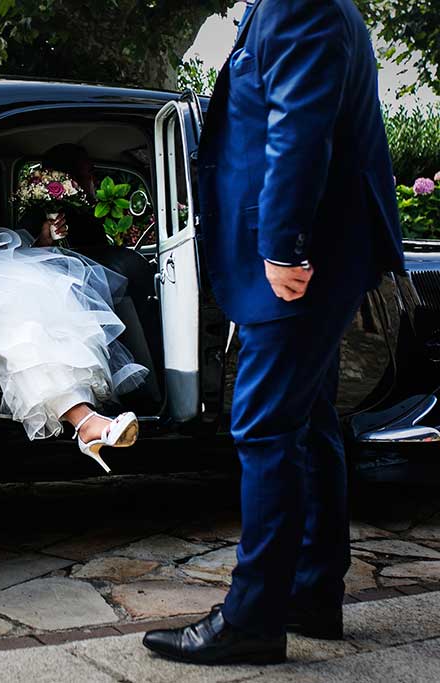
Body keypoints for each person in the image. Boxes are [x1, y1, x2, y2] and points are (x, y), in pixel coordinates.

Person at [143, 0, 403, 665]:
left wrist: (283, 247)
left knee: (262, 425)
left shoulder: (301, 3)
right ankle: (313, 592)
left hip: (299, 257)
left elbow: (299, 127)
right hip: (316, 249)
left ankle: (253, 616)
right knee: (308, 421)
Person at [0, 204, 147, 472]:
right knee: (17, 318)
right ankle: (85, 423)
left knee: (47, 298)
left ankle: (86, 414)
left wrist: (42, 242)